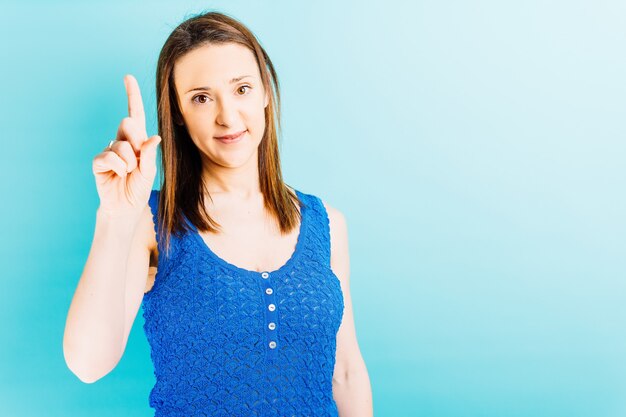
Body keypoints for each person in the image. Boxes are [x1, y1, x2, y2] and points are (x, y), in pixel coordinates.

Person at [63, 10, 373, 416]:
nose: (227, 116)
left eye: (241, 89)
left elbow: (346, 373)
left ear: (265, 92)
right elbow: (88, 364)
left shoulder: (327, 223)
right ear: (177, 112)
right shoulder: (150, 223)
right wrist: (115, 215)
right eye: (201, 98)